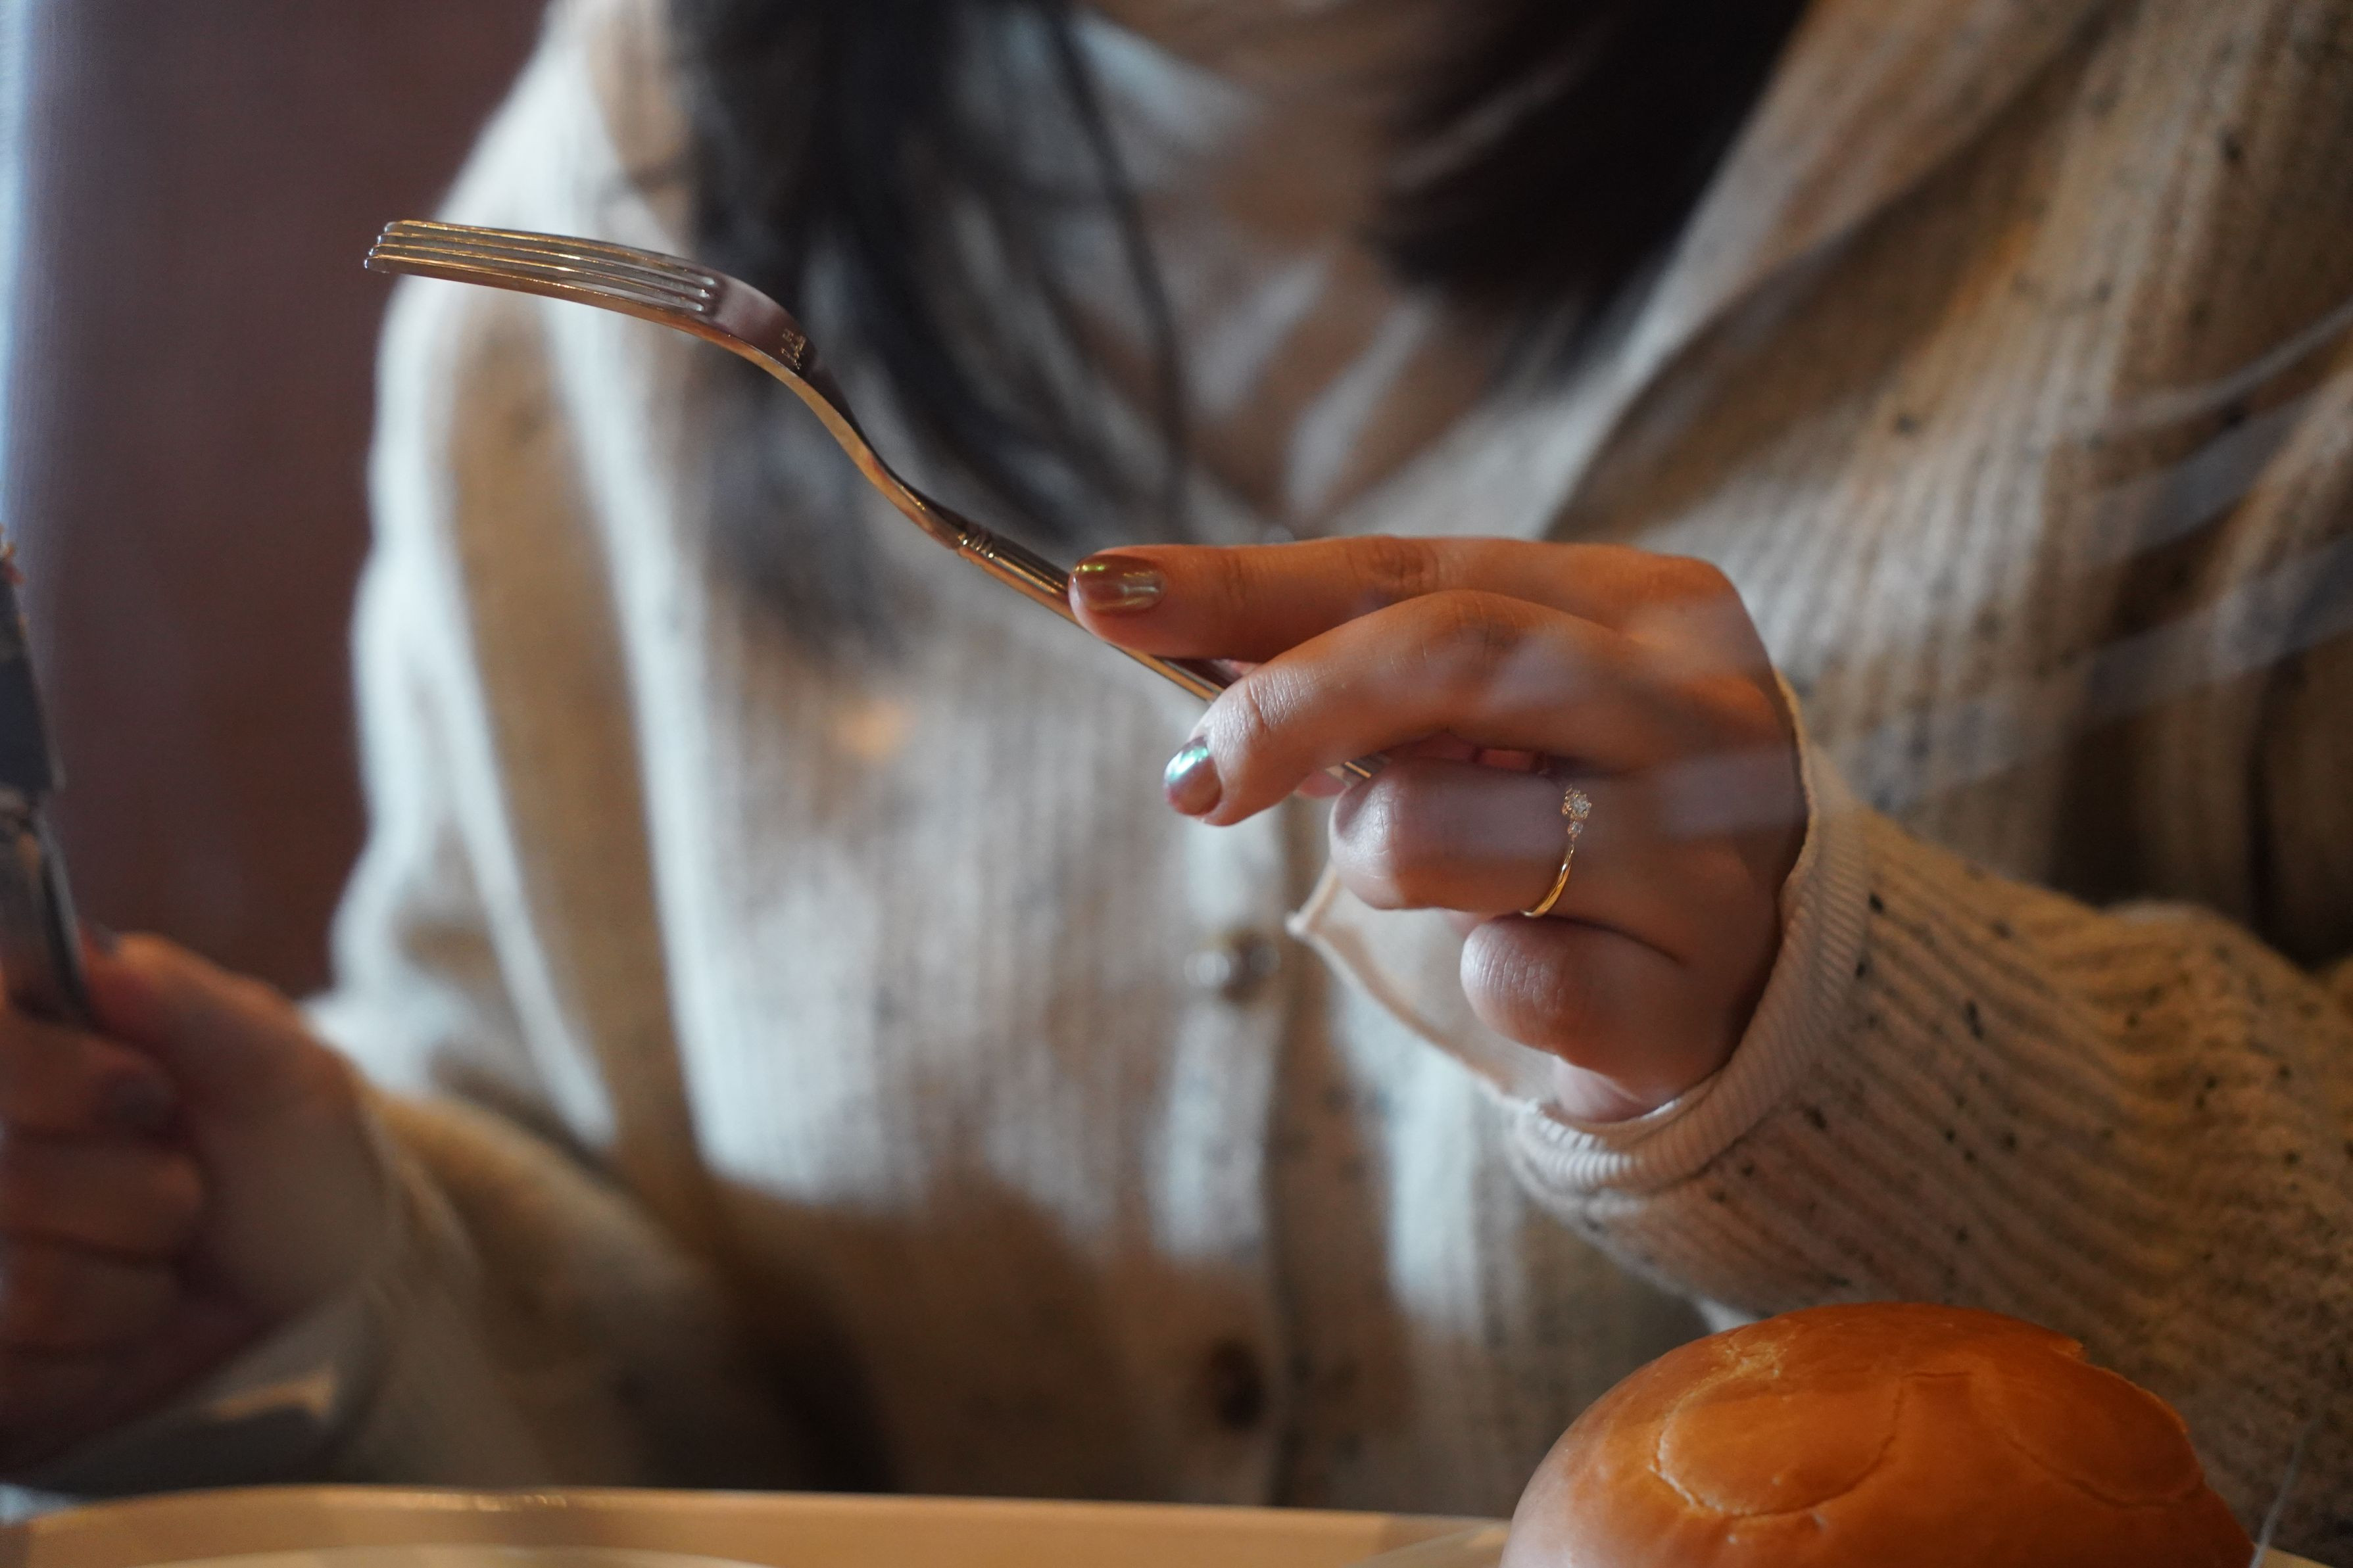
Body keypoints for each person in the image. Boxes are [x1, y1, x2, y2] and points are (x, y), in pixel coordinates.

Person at [1, 0, 2348, 1552]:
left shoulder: (2250, 119)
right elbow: (675, 1356)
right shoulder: (628, 203)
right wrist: (306, 1285)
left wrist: (1843, 1036)